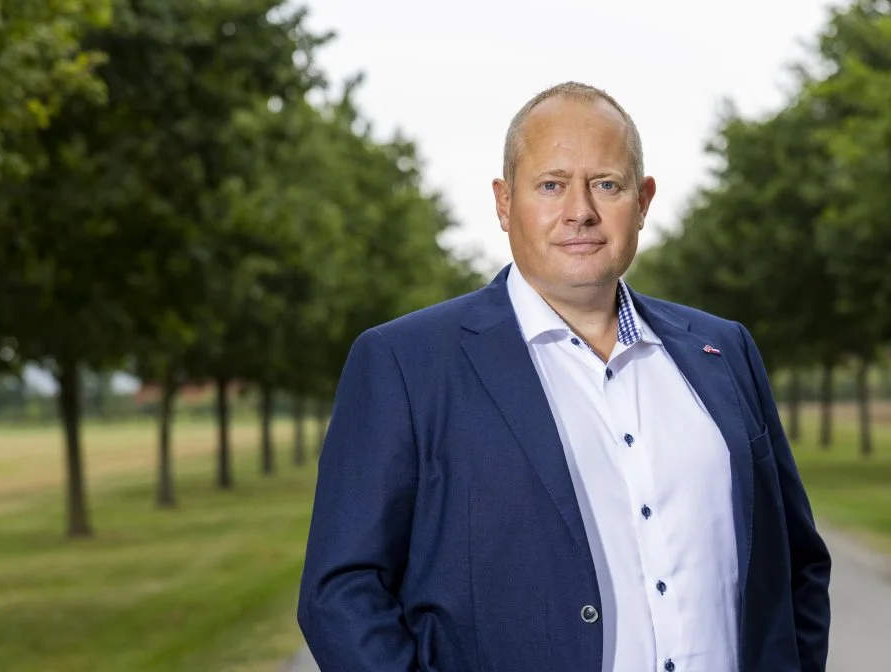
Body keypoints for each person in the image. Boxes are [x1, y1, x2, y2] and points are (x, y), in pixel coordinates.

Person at [297, 81, 831, 672]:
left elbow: (796, 562)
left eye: (606, 184)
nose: (580, 211)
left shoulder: (724, 350)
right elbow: (341, 596)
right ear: (504, 203)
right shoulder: (404, 364)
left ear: (644, 200)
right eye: (551, 185)